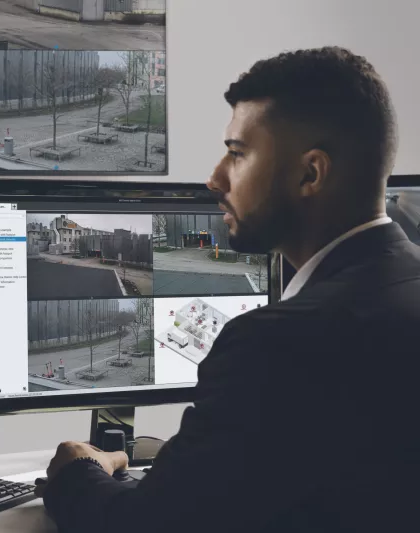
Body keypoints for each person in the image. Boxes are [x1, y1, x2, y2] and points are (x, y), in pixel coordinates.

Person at [39, 47, 420, 532]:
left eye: (237, 154)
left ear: (311, 173)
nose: (215, 177)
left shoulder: (278, 342)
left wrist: (78, 470)